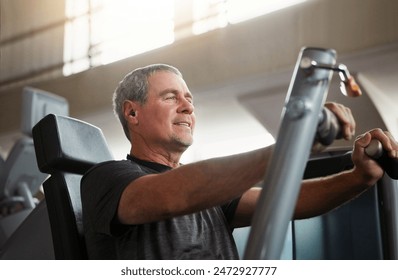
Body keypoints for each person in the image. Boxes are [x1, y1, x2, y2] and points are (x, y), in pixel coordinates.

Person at [81, 63, 398, 260]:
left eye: (189, 100)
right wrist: (291, 142)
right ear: (132, 113)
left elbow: (285, 201)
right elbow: (172, 196)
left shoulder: (211, 195)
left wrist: (359, 178)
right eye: (170, 97)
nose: (188, 108)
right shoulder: (107, 178)